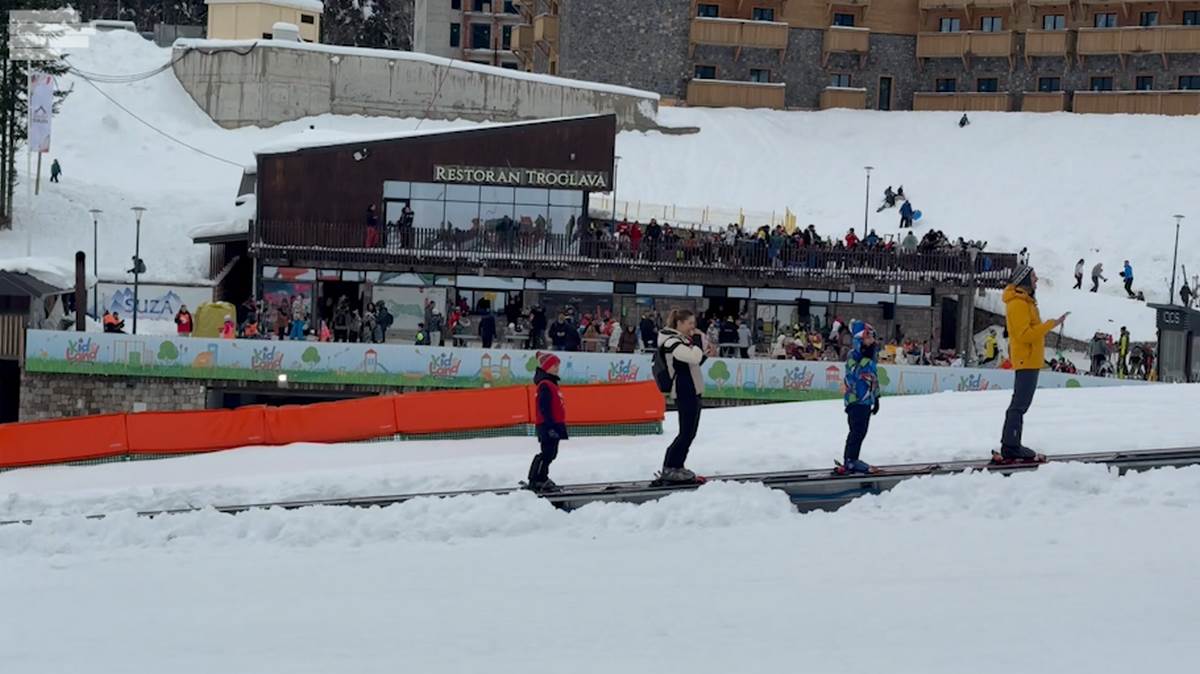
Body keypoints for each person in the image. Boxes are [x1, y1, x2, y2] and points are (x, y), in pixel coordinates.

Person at [999, 265, 1067, 463]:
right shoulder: (1018, 304)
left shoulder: (1025, 302)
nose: (1036, 280)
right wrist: (1048, 325)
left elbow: (1031, 329)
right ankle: (1011, 446)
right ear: (1025, 280)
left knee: (1020, 404)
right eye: (1034, 277)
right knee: (1019, 404)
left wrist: (1052, 323)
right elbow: (1025, 334)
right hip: (1025, 359)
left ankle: (1011, 444)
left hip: (1029, 359)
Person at [657, 309, 709, 484]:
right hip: (683, 389)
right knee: (685, 432)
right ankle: (670, 466)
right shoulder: (672, 342)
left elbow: (694, 360)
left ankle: (677, 465)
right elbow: (693, 357)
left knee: (690, 432)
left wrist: (703, 353)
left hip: (691, 389)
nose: (693, 328)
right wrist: (696, 343)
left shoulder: (680, 341)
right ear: (679, 324)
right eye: (690, 324)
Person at [839, 321, 881, 475]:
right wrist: (865, 358)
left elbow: (873, 378)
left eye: (872, 337)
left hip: (866, 400)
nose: (872, 341)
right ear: (859, 339)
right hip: (855, 400)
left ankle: (853, 458)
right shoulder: (853, 355)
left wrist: (876, 397)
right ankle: (850, 459)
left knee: (862, 430)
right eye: (868, 337)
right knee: (856, 430)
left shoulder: (870, 355)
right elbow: (855, 374)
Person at [527, 352, 568, 492]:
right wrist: (550, 426)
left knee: (551, 453)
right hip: (548, 424)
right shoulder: (545, 384)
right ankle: (536, 478)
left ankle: (542, 477)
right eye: (554, 365)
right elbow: (544, 407)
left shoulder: (551, 383)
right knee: (547, 453)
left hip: (553, 424)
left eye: (557, 365)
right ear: (547, 367)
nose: (557, 368)